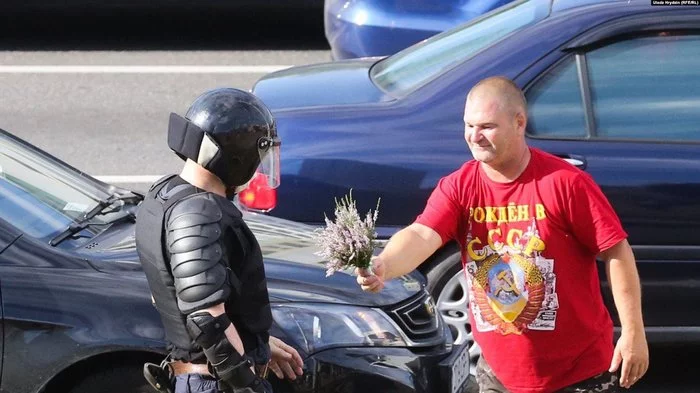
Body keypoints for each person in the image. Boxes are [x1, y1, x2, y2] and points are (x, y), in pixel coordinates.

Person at [356, 77, 649, 393]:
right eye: (469, 126)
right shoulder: (459, 186)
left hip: (579, 373)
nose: (474, 136)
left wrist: (633, 333)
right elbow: (422, 235)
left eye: (486, 126)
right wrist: (384, 264)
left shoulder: (565, 183)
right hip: (499, 375)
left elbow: (617, 252)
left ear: (519, 122)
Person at [135, 88, 303, 393]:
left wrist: (259, 343)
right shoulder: (198, 213)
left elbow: (179, 295)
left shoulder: (164, 194)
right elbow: (206, 320)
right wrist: (246, 384)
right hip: (213, 383)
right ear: (238, 154)